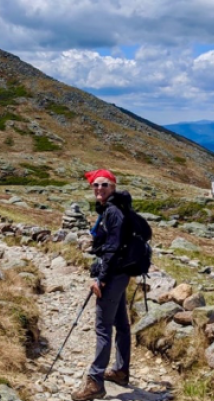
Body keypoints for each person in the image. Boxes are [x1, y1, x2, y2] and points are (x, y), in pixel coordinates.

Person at [71, 169, 132, 401]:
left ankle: (95, 382)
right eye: (96, 185)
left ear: (113, 187)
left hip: (113, 275)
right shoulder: (117, 209)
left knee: (103, 328)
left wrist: (101, 278)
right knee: (121, 323)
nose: (99, 189)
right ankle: (121, 370)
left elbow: (112, 248)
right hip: (121, 274)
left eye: (104, 185)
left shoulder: (112, 212)